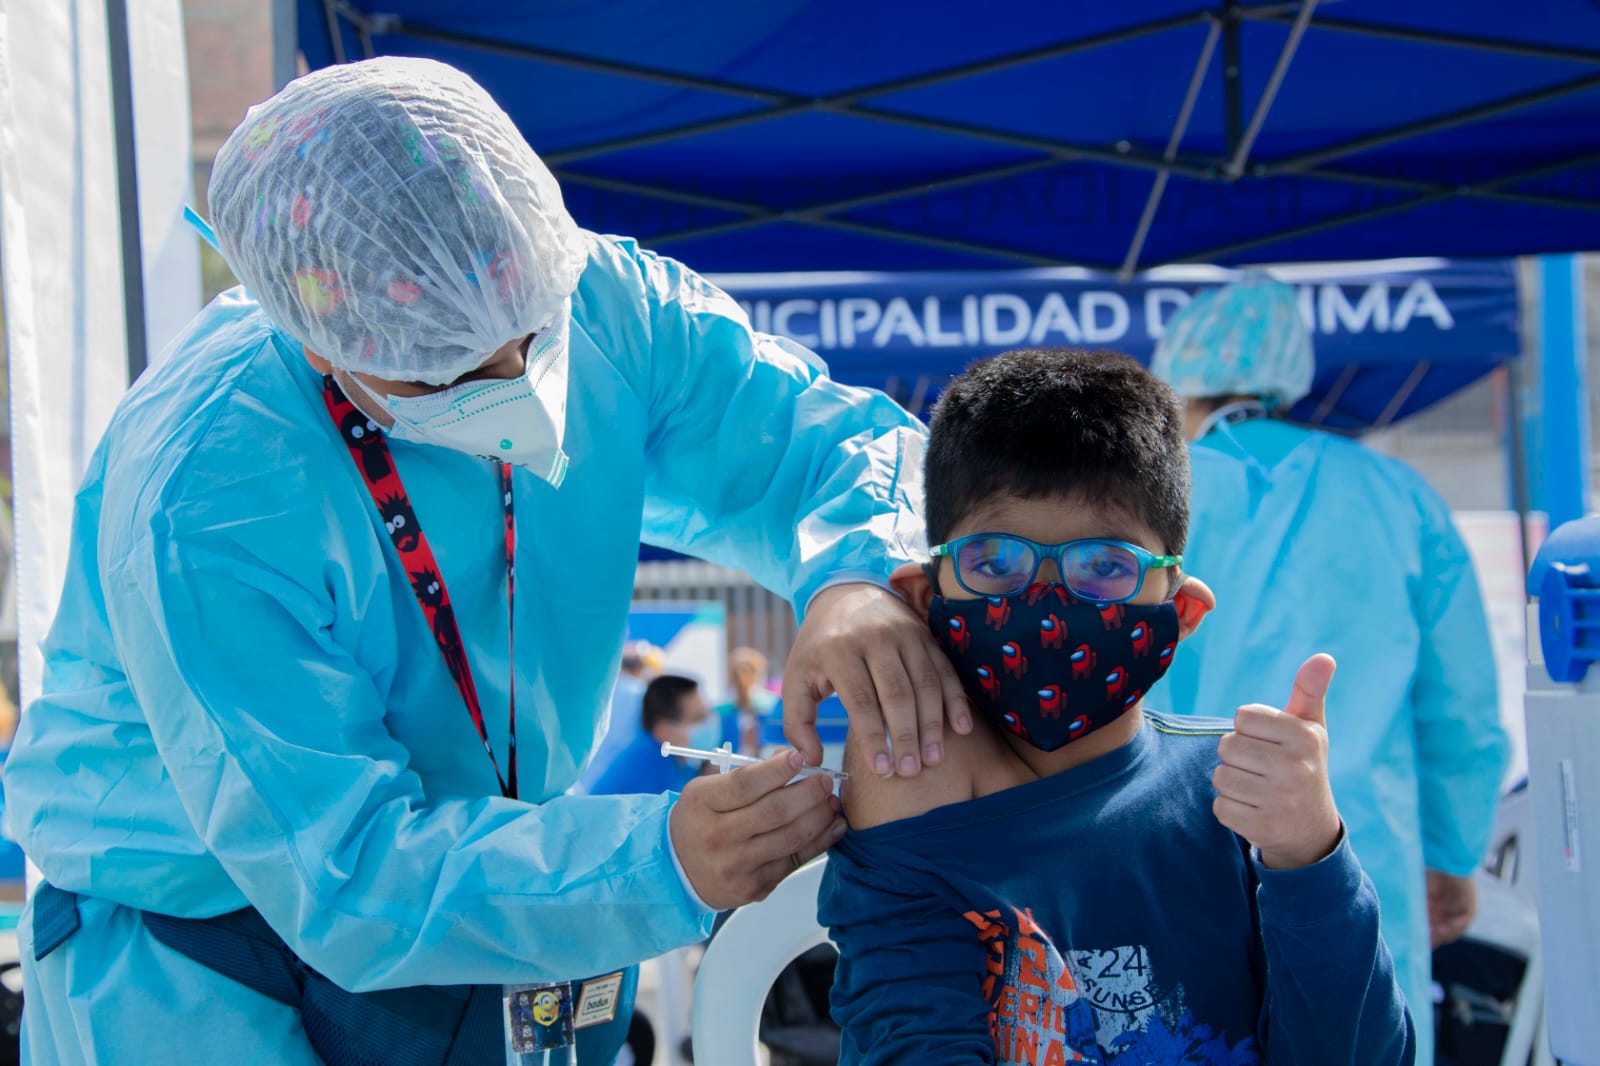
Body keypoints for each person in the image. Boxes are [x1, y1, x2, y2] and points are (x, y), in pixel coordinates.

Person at [1, 57, 964, 1065]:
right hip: (188, 947)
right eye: (445, 369)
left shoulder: (609, 305)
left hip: (487, 882)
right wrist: (659, 861)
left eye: (533, 334)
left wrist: (858, 577)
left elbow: (818, 443)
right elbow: (346, 871)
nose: (519, 386)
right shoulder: (210, 490)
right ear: (317, 338)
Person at [819, 349, 1414, 1064]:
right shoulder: (913, 791)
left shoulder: (1241, 806)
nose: (1043, 604)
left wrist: (1311, 859)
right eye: (995, 563)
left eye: (1104, 567)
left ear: (1181, 611)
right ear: (924, 596)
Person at [1150, 277, 1510, 1063]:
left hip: (1173, 859)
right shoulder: (1397, 494)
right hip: (1361, 860)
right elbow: (1461, 710)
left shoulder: (1146, 500)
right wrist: (1452, 857)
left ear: (1178, 378)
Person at [591, 676, 721, 796]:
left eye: (708, 713)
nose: (710, 722)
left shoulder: (677, 761)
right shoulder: (649, 766)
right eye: (698, 718)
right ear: (665, 731)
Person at [574, 640, 663, 793]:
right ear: (643, 668)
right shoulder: (642, 696)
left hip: (584, 780)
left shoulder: (599, 693)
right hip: (622, 778)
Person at [717, 647, 777, 754]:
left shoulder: (772, 707)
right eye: (735, 672)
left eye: (747, 670)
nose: (741, 676)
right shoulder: (722, 712)